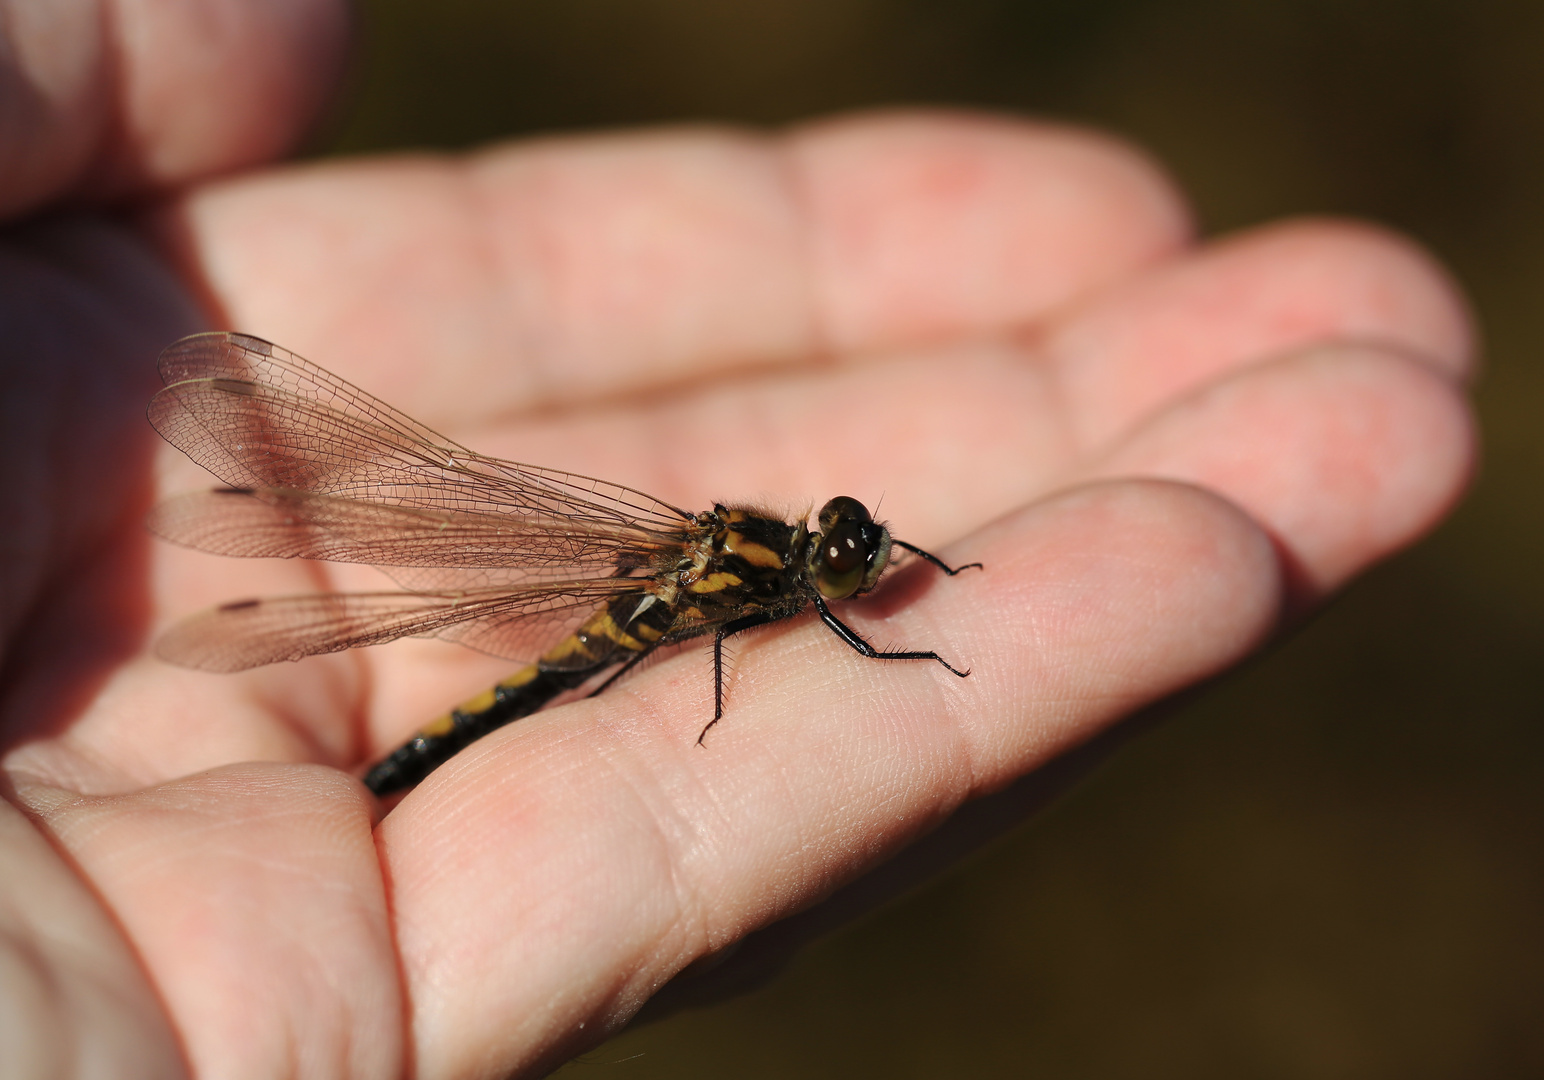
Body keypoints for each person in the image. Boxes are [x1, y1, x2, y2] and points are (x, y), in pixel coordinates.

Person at [0, 2, 1475, 1077]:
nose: (859, 560)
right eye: (847, 554)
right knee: (537, 684)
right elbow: (779, 647)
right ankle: (385, 772)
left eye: (854, 550)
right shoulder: (763, 587)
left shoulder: (784, 570)